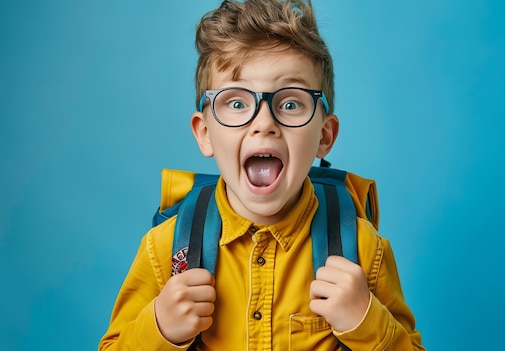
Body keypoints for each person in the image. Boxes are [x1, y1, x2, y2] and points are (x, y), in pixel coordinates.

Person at [99, 0, 425, 350]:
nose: (264, 123)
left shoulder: (361, 249)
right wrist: (159, 327)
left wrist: (366, 321)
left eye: (290, 103)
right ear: (205, 133)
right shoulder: (165, 249)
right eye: (237, 103)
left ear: (324, 136)